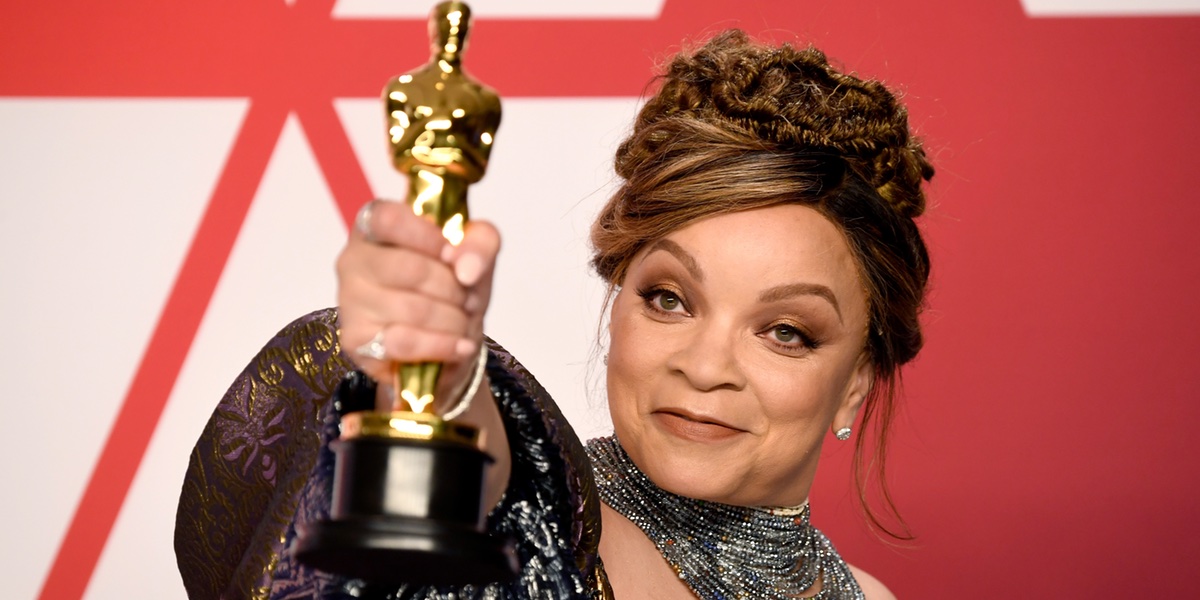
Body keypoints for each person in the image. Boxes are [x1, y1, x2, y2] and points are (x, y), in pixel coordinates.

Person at [176, 29, 932, 600]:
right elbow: (491, 486)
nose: (704, 366)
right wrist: (435, 385)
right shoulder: (548, 532)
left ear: (856, 383)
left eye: (785, 332)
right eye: (669, 299)